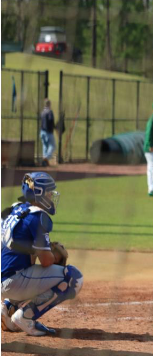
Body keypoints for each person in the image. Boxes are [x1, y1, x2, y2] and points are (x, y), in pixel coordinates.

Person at [1, 172, 83, 336]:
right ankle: (25, 318)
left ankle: (7, 307)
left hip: (4, 277)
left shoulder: (14, 209)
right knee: (73, 277)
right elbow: (46, 262)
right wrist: (55, 257)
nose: (51, 196)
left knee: (28, 267)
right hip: (13, 281)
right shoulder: (38, 216)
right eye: (48, 192)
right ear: (38, 193)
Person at [40, 99, 56, 167]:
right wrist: (54, 127)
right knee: (53, 146)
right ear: (49, 104)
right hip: (48, 132)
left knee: (45, 146)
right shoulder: (49, 112)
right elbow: (50, 120)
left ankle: (44, 161)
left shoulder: (42, 112)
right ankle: (46, 158)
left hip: (42, 132)